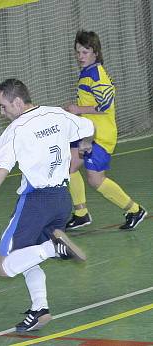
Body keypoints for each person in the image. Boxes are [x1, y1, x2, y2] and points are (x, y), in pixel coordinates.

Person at [0, 79, 94, 332]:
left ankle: (53, 248)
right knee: (28, 258)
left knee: (5, 266)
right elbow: (88, 127)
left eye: (3, 106)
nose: (2, 112)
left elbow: (1, 169)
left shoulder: (16, 129)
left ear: (17, 102)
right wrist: (83, 149)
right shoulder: (57, 114)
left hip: (36, 201)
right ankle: (40, 308)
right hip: (62, 200)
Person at [65, 30, 147, 230]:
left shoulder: (97, 74)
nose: (80, 56)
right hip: (87, 132)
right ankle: (81, 213)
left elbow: (105, 106)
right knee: (69, 167)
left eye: (85, 52)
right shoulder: (86, 72)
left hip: (101, 135)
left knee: (95, 179)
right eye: (78, 52)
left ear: (95, 52)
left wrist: (78, 109)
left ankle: (135, 210)